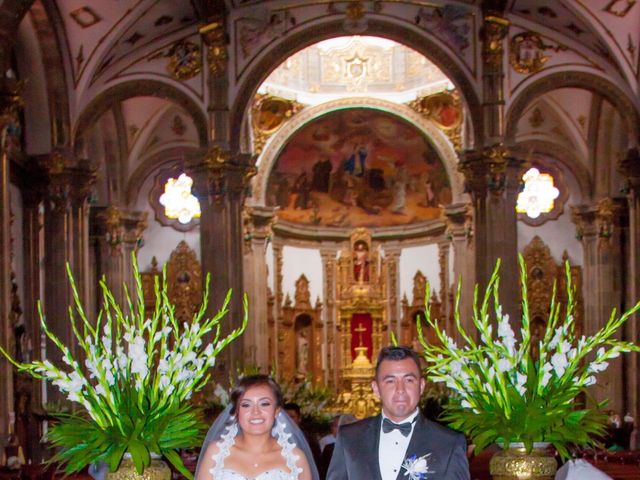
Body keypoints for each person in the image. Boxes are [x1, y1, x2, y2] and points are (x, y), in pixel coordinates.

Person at [327, 346, 469, 480]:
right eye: (390, 381)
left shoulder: (449, 443)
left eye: (408, 380)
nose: (400, 389)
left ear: (421, 386)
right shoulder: (349, 438)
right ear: (376, 388)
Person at [196, 375, 320, 480]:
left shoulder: (295, 458)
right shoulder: (216, 452)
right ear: (236, 412)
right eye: (246, 405)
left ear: (277, 410)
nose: (256, 412)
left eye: (264, 404)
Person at [284, 403, 322, 472]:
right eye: (286, 417)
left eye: (292, 417)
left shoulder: (309, 439)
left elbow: (317, 462)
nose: (288, 420)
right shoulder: (275, 437)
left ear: (299, 418)